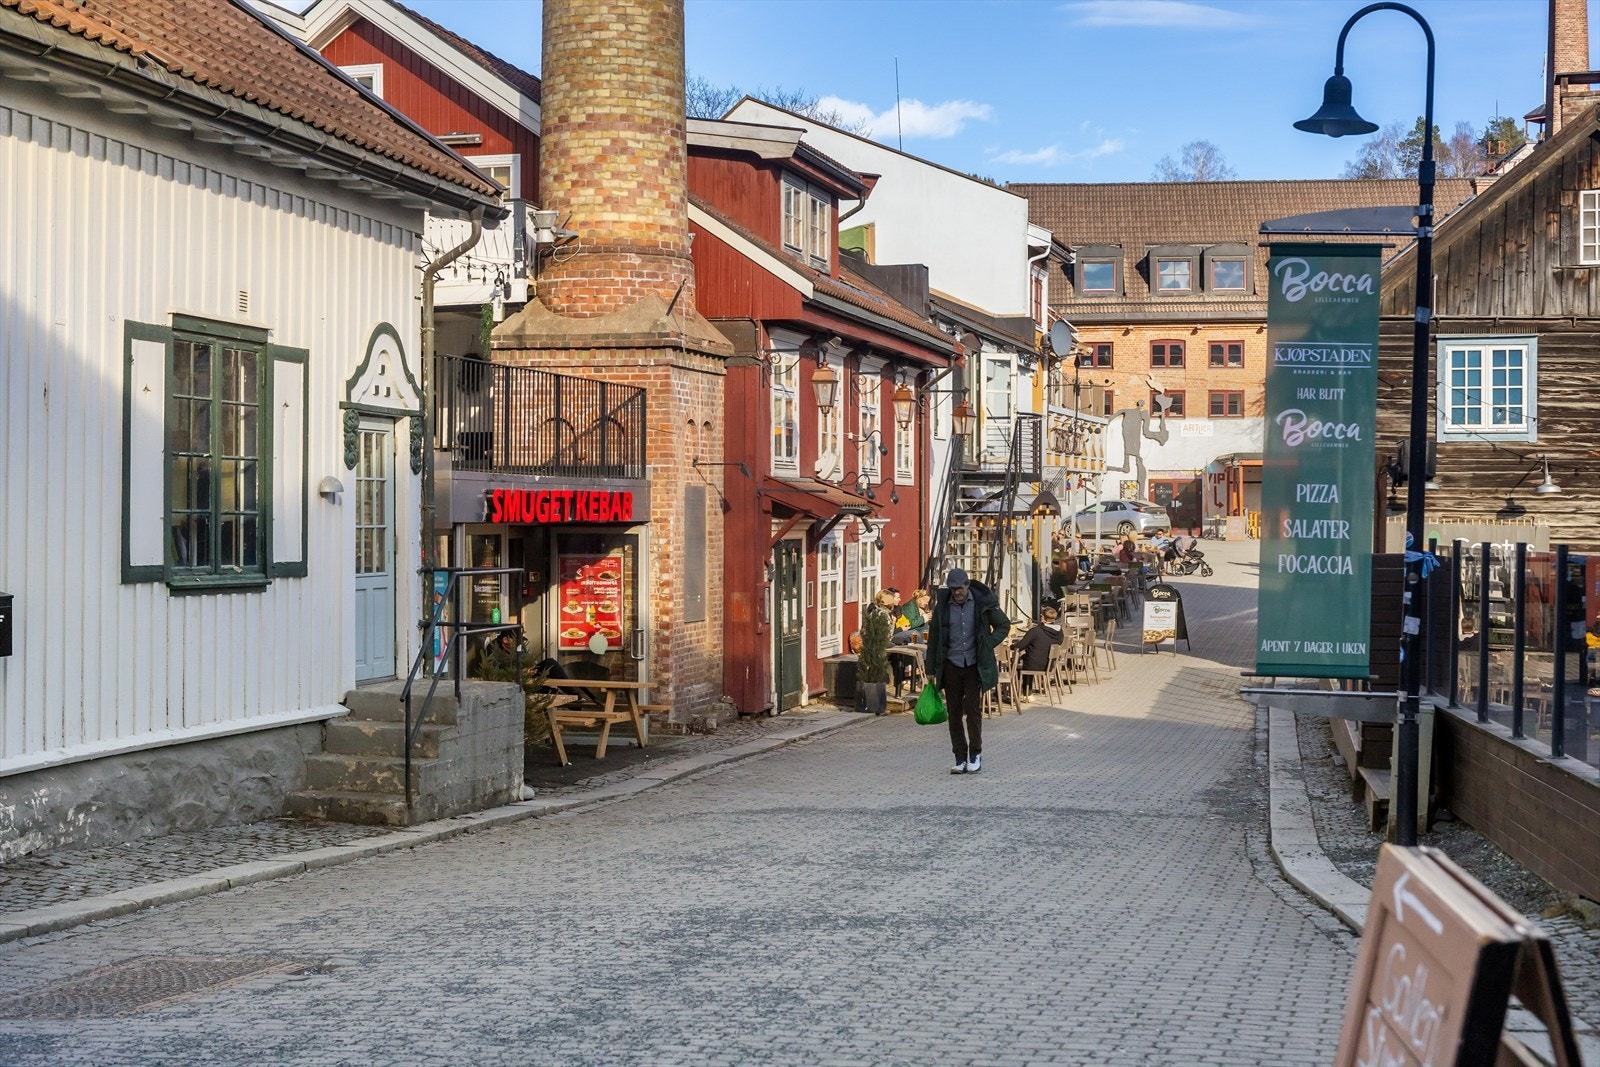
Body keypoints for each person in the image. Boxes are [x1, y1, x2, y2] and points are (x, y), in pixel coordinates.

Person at [925, 566, 1011, 775]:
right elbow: (934, 636)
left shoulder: (983, 604)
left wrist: (987, 643)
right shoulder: (943, 607)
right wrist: (931, 668)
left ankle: (975, 754)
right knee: (953, 713)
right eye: (953, 589)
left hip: (974, 665)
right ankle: (959, 757)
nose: (957, 593)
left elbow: (1004, 625)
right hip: (951, 665)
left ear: (967, 585)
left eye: (960, 588)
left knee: (972, 711)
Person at [1012, 607, 1064, 694]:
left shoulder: (1035, 631)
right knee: (1029, 658)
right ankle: (1028, 692)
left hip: (1033, 664)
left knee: (1020, 663)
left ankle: (1025, 692)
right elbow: (1059, 642)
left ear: (1043, 618)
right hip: (1049, 664)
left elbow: (1021, 646)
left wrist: (1012, 646)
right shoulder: (1060, 632)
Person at [890, 589, 930, 696]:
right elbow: (911, 624)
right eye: (897, 597)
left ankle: (925, 652)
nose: (900, 599)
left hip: (905, 630)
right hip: (896, 635)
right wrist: (923, 618)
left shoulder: (900, 608)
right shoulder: (908, 607)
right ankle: (921, 662)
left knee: (927, 631)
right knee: (914, 635)